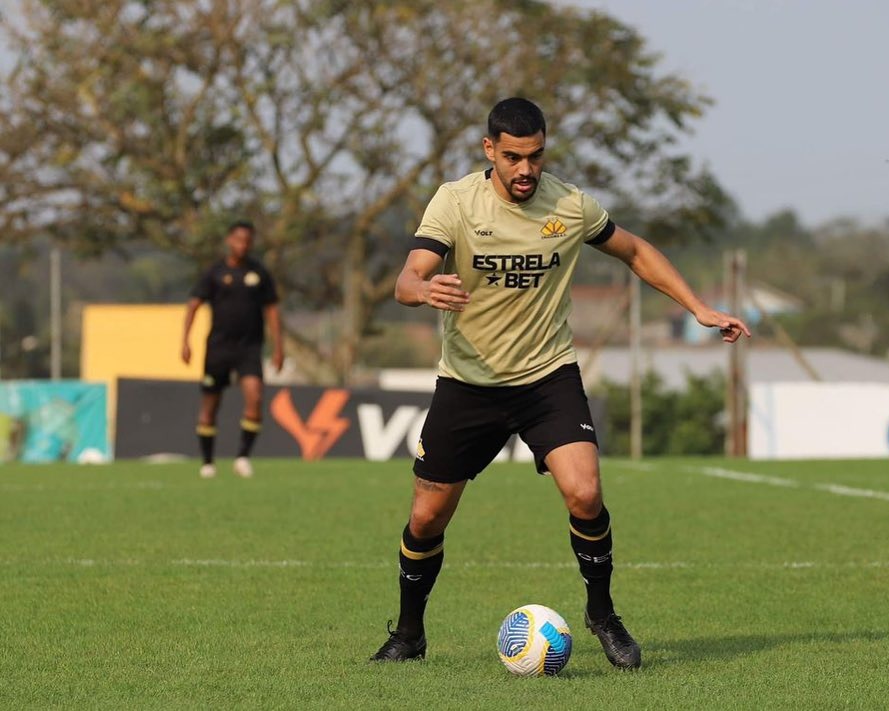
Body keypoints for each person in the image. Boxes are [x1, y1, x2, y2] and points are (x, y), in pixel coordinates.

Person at [370, 98, 750, 669]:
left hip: (548, 377)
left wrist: (698, 307)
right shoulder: (455, 202)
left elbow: (636, 250)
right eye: (514, 157)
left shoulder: (570, 205)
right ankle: (408, 632)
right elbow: (407, 277)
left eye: (537, 156)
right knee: (427, 517)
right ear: (490, 151)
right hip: (469, 383)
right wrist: (421, 290)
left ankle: (602, 615)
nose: (526, 169)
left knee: (585, 492)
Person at [181, 221, 284, 479]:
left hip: (249, 348)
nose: (243, 245)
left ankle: (242, 457)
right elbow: (193, 305)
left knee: (255, 397)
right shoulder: (214, 273)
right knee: (210, 406)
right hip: (218, 349)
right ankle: (207, 462)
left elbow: (272, 310)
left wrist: (278, 347)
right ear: (229, 240)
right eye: (238, 239)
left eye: (247, 240)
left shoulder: (259, 273)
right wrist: (185, 341)